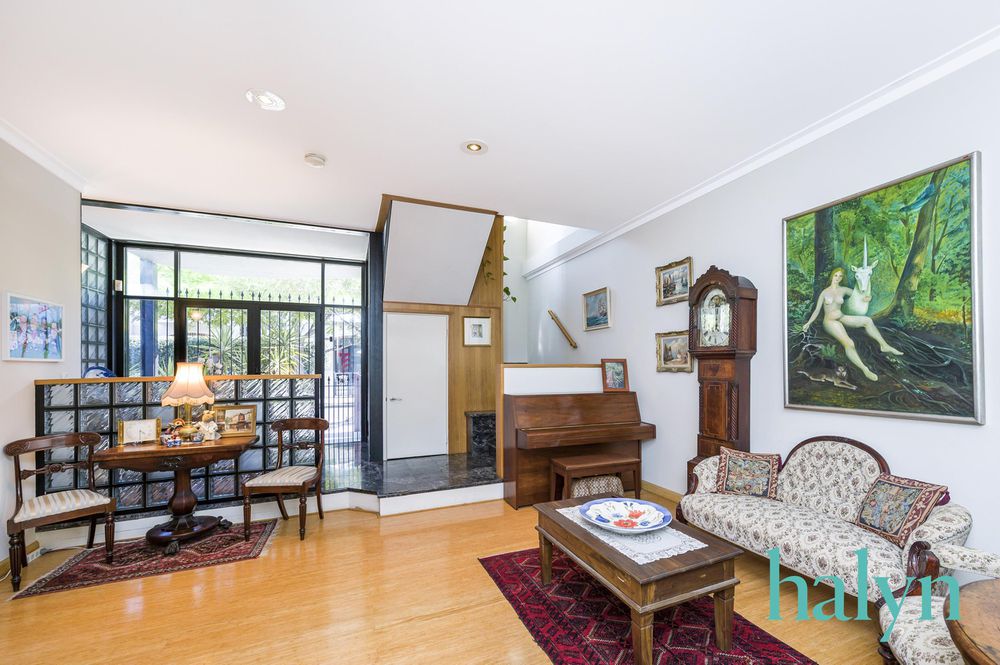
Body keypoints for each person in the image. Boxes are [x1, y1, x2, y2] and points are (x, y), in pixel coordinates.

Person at [803, 268, 902, 382]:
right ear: (832, 276)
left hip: (842, 317)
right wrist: (808, 323)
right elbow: (816, 310)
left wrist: (867, 298)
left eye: (840, 276)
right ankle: (865, 369)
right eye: (836, 275)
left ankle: (884, 345)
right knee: (849, 343)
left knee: (868, 321)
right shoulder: (825, 292)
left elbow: (859, 295)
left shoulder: (843, 290)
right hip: (830, 322)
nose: (838, 278)